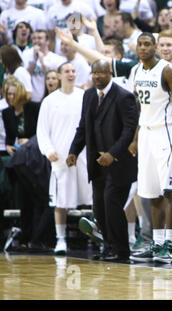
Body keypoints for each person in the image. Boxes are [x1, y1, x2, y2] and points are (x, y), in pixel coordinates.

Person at [66, 59, 138, 262]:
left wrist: (112, 154)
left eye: (101, 73)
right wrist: (74, 151)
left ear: (110, 73)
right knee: (99, 206)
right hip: (96, 162)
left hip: (119, 162)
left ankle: (121, 250)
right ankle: (109, 247)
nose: (97, 76)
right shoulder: (88, 95)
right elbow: (83, 126)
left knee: (112, 204)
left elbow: (128, 131)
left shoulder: (124, 96)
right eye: (94, 73)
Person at [127, 32, 172, 264]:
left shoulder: (167, 70)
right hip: (145, 134)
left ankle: (170, 245)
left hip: (166, 134)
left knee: (169, 191)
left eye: (147, 44)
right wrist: (135, 138)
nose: (143, 48)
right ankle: (157, 243)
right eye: (140, 44)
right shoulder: (135, 71)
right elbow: (142, 109)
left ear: (154, 47)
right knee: (152, 192)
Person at [36, 62, 92, 255]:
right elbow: (42, 131)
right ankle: (61, 240)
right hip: (60, 157)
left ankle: (99, 236)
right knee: (60, 201)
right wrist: (48, 150)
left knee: (93, 199)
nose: (71, 74)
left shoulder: (84, 96)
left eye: (74, 71)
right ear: (59, 76)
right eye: (67, 71)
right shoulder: (50, 101)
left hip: (83, 156)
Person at [2, 77, 41, 250]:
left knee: (35, 196)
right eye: (8, 94)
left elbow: (41, 130)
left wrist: (30, 141)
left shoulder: (33, 108)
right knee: (23, 198)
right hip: (18, 157)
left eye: (13, 93)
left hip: (34, 155)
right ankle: (24, 236)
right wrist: (9, 147)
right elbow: (10, 138)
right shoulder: (6, 113)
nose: (10, 97)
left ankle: (37, 236)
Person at [22, 30, 66, 103]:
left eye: (39, 38)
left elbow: (54, 78)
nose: (36, 41)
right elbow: (25, 76)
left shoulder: (57, 59)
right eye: (34, 38)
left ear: (47, 41)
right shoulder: (26, 55)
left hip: (49, 99)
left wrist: (42, 63)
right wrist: (35, 60)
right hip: (31, 99)